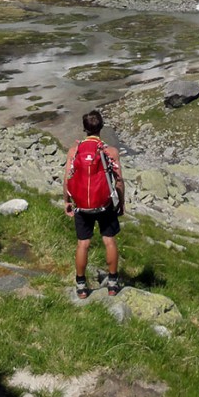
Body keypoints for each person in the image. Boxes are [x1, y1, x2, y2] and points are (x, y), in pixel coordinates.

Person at [63, 109, 124, 298]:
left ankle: (81, 286)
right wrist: (121, 203)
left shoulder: (75, 150)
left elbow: (67, 178)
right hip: (104, 204)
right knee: (109, 241)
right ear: (101, 127)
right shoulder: (110, 151)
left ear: (84, 129)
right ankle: (113, 284)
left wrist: (67, 201)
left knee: (83, 244)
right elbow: (119, 180)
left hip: (81, 205)